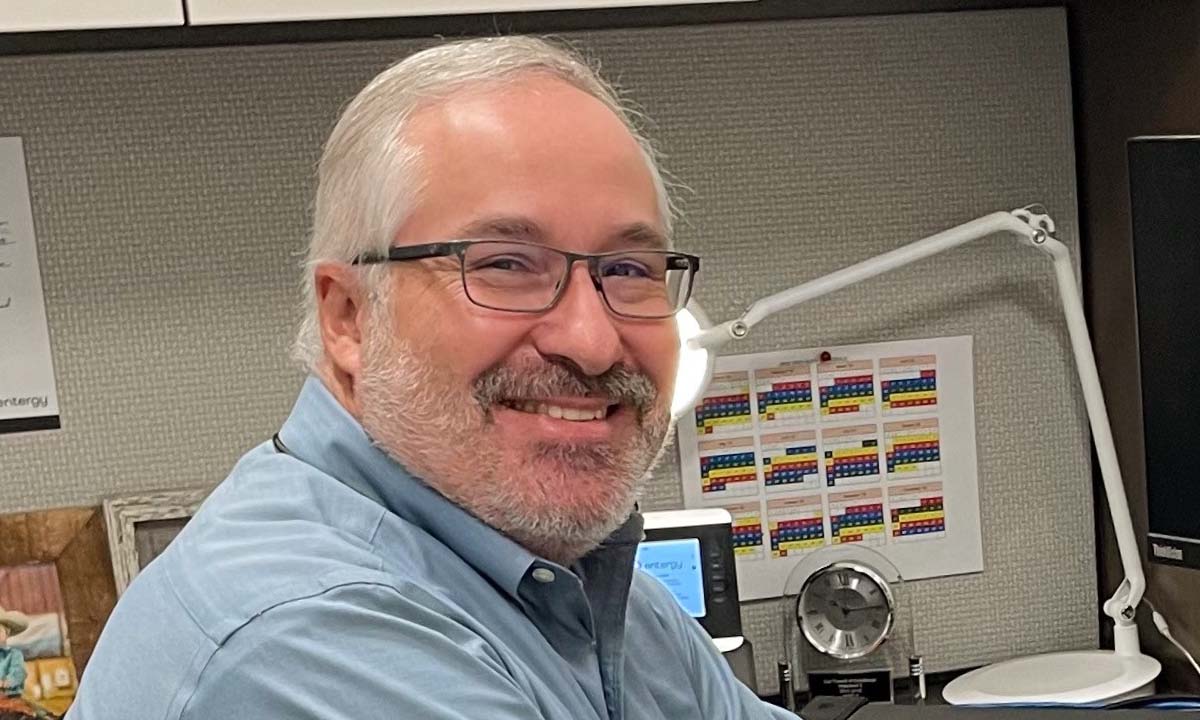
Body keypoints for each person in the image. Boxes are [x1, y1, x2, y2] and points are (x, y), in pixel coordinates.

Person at [68, 36, 794, 719]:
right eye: (505, 264)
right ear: (349, 316)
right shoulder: (307, 635)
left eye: (628, 271)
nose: (592, 341)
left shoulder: (584, 585)